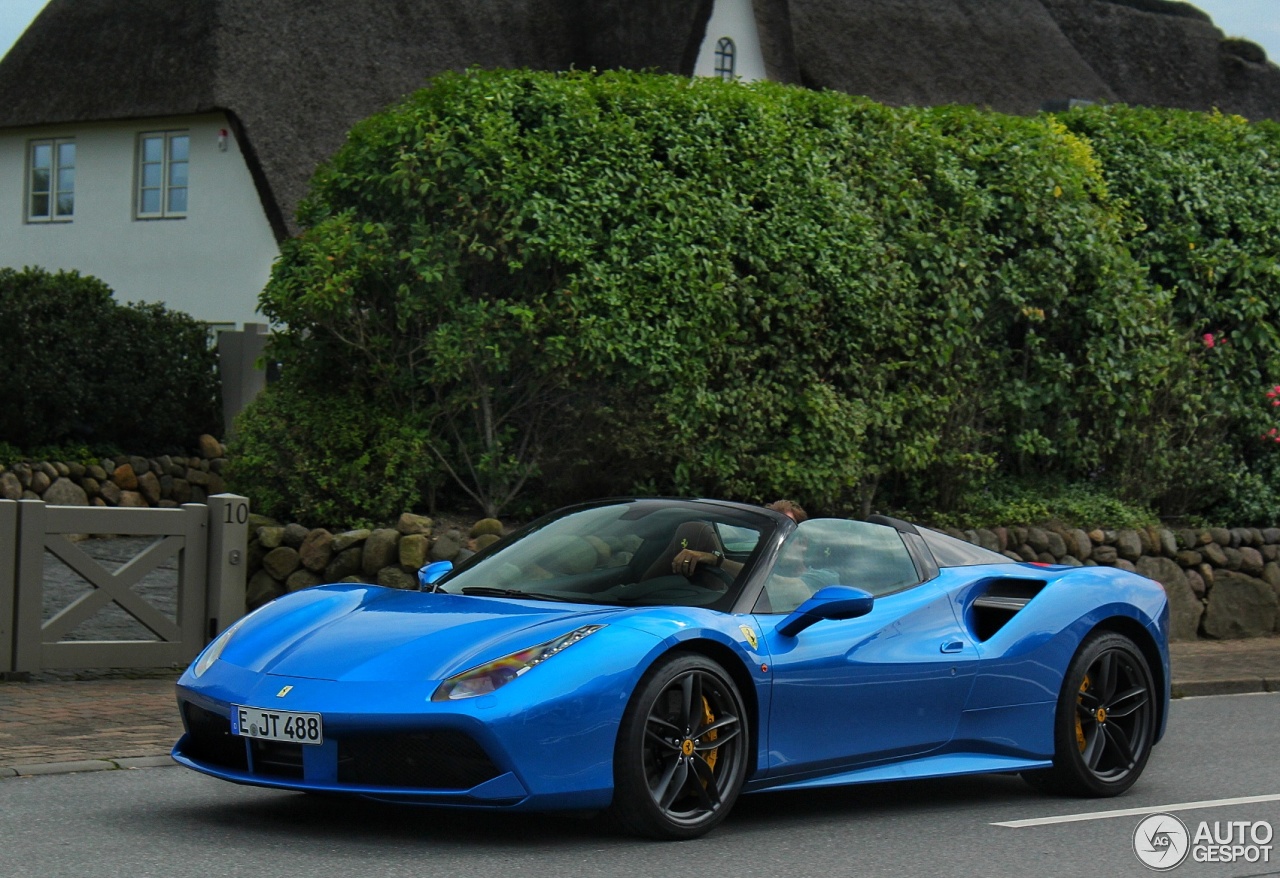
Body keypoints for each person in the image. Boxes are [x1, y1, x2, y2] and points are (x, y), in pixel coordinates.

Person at [670, 499, 808, 578]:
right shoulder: (762, 574)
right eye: (769, 536)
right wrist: (714, 560)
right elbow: (755, 576)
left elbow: (771, 583)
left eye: (786, 535)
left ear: (803, 542)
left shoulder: (817, 579)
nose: (777, 541)